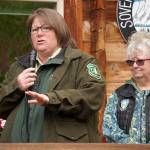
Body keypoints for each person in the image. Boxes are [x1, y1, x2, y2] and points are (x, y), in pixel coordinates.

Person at [0, 8, 105, 143]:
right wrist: (16, 87)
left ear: (59, 31)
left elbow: (93, 97)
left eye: (45, 28)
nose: (39, 33)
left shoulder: (82, 62)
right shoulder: (19, 66)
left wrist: (51, 99)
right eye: (34, 29)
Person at [103, 31, 150, 144]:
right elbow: (109, 129)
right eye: (130, 62)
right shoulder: (119, 94)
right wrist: (132, 147)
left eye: (140, 61)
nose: (134, 65)